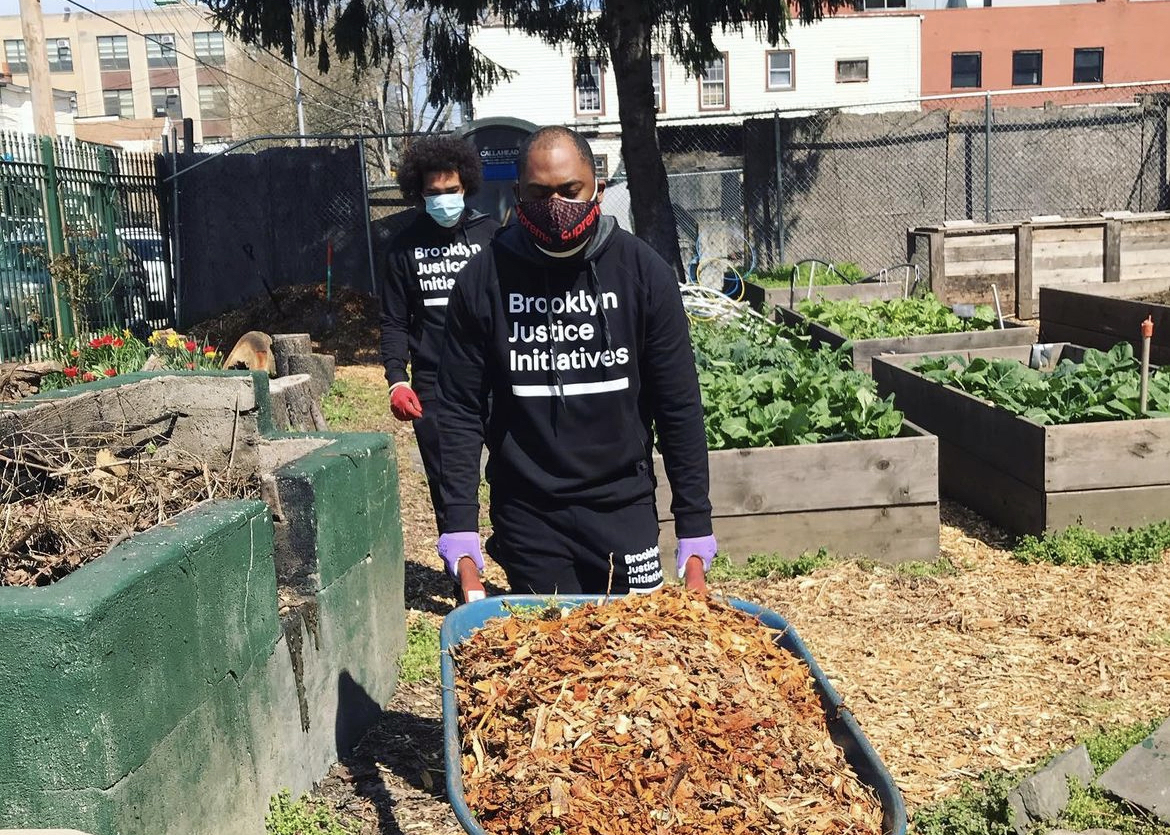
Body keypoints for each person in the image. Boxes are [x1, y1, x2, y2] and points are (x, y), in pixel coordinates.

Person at [433, 125, 717, 596]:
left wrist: (694, 522)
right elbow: (460, 409)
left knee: (634, 654)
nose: (556, 206)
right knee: (555, 656)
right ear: (518, 195)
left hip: (622, 507)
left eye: (570, 190)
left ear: (597, 190)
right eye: (539, 193)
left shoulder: (643, 274)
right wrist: (460, 523)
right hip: (529, 514)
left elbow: (678, 406)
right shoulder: (483, 279)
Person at [379, 135, 500, 533]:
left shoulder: (493, 238)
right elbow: (394, 320)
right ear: (419, 193)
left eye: (452, 190)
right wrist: (397, 380)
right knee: (448, 486)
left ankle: (518, 566)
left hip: (497, 380)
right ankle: (461, 575)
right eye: (434, 193)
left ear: (466, 185)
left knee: (512, 478)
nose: (444, 199)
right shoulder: (402, 248)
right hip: (435, 384)